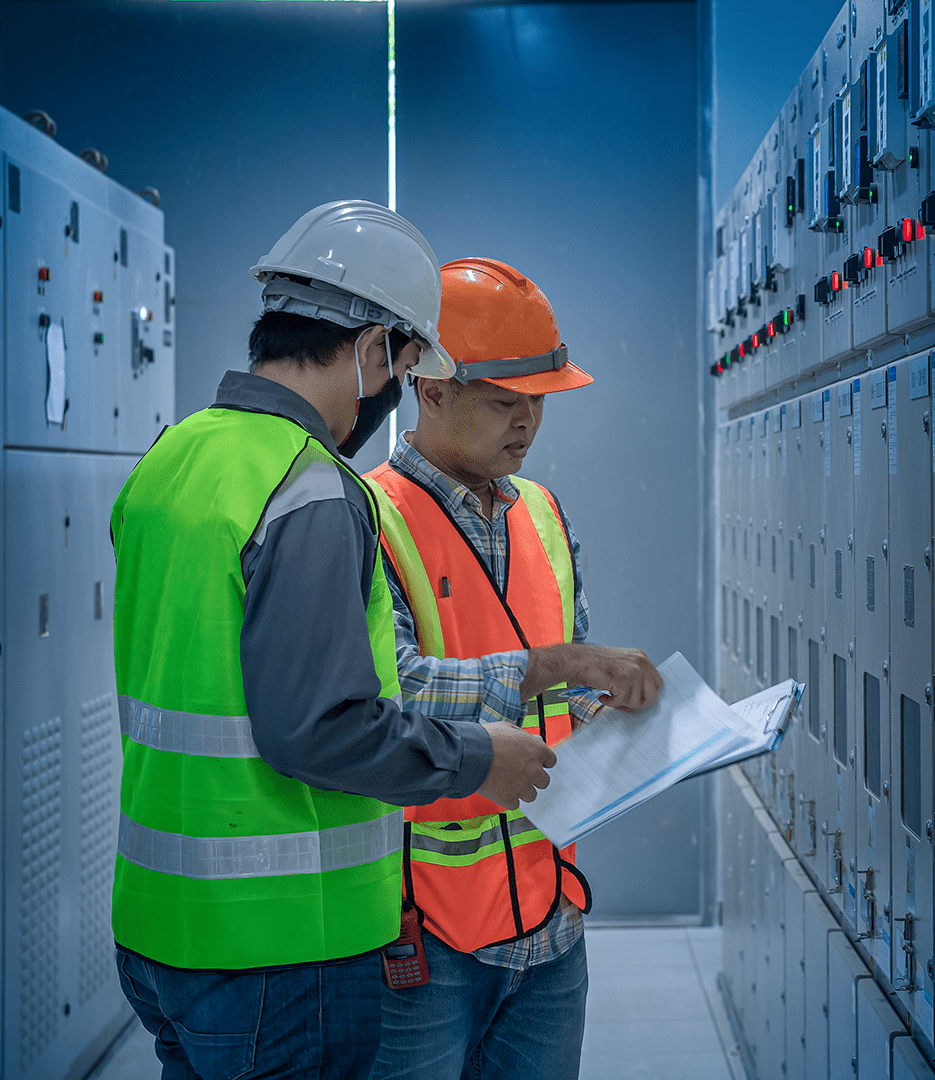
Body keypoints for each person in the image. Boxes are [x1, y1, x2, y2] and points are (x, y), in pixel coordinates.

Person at [107, 202, 560, 1080]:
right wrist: (478, 761)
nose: (390, 390)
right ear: (371, 350)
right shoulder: (307, 487)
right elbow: (317, 728)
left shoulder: (169, 459)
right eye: (401, 362)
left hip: (161, 930)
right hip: (279, 950)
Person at [364, 258, 665, 1079]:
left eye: (540, 399)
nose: (528, 421)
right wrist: (556, 665)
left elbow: (566, 695)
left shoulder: (543, 514)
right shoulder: (371, 519)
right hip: (422, 939)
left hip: (551, 922)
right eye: (505, 400)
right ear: (429, 389)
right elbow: (390, 696)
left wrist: (619, 714)